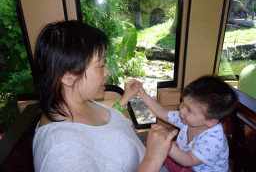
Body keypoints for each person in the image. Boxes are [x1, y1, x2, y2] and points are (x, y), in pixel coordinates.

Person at [32, 20, 177, 172]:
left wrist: (125, 98)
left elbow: (103, 127)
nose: (107, 70)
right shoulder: (61, 151)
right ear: (68, 77)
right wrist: (153, 158)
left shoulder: (78, 104)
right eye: (100, 66)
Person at [137, 75, 239, 172]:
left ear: (210, 121)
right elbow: (162, 113)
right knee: (150, 146)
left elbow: (189, 160)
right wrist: (143, 94)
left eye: (189, 110)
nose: (181, 110)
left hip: (195, 168)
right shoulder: (187, 119)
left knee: (159, 148)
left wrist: (167, 145)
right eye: (182, 102)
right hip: (186, 159)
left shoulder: (214, 141)